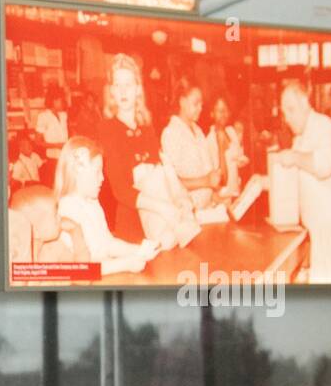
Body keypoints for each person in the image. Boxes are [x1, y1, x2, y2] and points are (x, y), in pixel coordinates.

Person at [274, 79, 331, 284]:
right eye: (285, 112)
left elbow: (323, 166)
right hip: (316, 231)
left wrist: (294, 156)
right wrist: (263, 182)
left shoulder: (324, 126)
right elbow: (292, 181)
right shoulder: (299, 139)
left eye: (291, 110)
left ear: (305, 103)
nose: (287, 118)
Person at [54, 137, 159, 276]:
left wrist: (139, 250)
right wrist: (125, 264)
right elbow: (82, 268)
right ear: (78, 172)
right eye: (97, 171)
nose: (102, 178)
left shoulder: (92, 202)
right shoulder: (67, 209)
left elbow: (107, 243)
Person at [96, 53, 162, 244]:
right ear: (111, 92)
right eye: (118, 85)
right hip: (131, 229)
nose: (123, 91)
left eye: (129, 84)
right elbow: (121, 190)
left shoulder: (148, 127)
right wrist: (163, 207)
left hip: (158, 222)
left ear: (138, 89)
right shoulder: (106, 129)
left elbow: (158, 173)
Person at [159, 79, 220, 209]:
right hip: (187, 212)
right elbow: (172, 182)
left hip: (207, 209)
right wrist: (206, 181)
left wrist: (218, 199)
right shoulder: (171, 133)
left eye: (201, 104)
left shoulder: (198, 131)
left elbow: (206, 174)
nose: (200, 108)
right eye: (196, 103)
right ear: (182, 102)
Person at [206, 96, 248, 198]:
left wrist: (241, 143)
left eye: (225, 110)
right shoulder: (209, 140)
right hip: (222, 196)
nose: (223, 114)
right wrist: (221, 146)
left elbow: (238, 160)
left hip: (236, 191)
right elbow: (220, 179)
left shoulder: (231, 131)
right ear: (212, 113)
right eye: (219, 110)